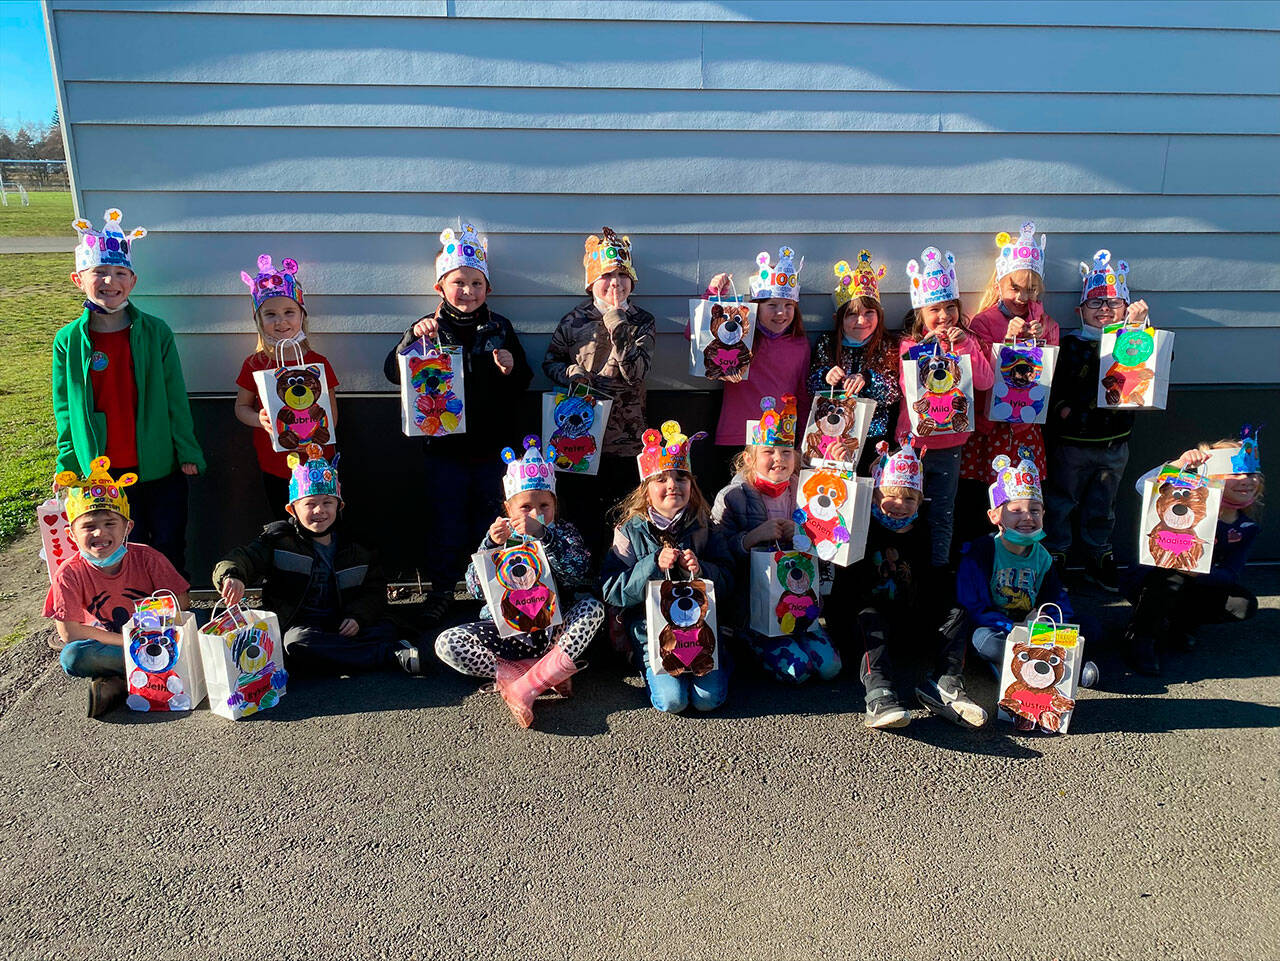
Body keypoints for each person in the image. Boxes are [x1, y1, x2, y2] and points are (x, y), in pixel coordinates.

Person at [383, 223, 532, 623]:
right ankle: (443, 588)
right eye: (458, 283)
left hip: (493, 446)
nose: (467, 291)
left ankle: (499, 589)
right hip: (444, 448)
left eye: (476, 283)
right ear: (440, 287)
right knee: (446, 520)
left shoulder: (498, 327)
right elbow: (392, 373)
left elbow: (524, 381)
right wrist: (411, 339)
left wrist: (511, 366)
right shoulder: (427, 328)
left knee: (495, 519)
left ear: (488, 288)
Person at [54, 208, 205, 575]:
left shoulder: (156, 332)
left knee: (168, 541)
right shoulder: (69, 341)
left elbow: (174, 395)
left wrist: (186, 448)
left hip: (159, 465)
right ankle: (133, 620)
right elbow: (64, 408)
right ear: (79, 279)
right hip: (103, 471)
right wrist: (68, 461)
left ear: (133, 280)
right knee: (120, 550)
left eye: (120, 272)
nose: (110, 280)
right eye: (99, 273)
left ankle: (173, 612)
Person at [434, 437, 605, 728]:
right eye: (525, 507)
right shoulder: (499, 539)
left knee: (592, 609)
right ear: (508, 508)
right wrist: (488, 547)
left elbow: (579, 572)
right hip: (507, 635)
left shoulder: (562, 533)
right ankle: (537, 674)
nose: (536, 514)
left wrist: (546, 537)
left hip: (553, 630)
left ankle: (527, 686)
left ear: (555, 504)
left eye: (544, 505)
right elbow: (475, 590)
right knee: (447, 643)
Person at [213, 445, 422, 676]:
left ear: (339, 506)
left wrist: (358, 617)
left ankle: (341, 654)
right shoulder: (279, 541)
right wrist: (231, 575)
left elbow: (374, 591)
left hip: (345, 621)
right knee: (296, 643)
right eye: (310, 504)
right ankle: (387, 655)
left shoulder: (357, 546)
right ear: (292, 510)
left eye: (327, 503)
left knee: (385, 627)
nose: (319, 510)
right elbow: (243, 558)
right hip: (301, 625)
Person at [601, 421, 734, 713]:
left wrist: (702, 571)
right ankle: (648, 667)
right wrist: (652, 565)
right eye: (661, 480)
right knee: (673, 701)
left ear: (691, 485)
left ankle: (723, 660)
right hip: (653, 636)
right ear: (646, 490)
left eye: (680, 478)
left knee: (707, 700)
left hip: (702, 635)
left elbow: (729, 580)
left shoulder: (705, 527)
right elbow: (612, 590)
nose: (672, 485)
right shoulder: (629, 531)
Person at [43, 457, 190, 718]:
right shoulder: (69, 573)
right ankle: (147, 674)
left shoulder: (147, 557)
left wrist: (153, 637)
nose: (99, 534)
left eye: (110, 524)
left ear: (128, 527)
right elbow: (69, 633)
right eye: (88, 527)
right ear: (71, 535)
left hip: (160, 640)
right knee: (73, 656)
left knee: (193, 631)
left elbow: (182, 601)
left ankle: (120, 682)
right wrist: (132, 644)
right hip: (116, 645)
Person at [943, 453, 1099, 700]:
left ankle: (1050, 662)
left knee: (1089, 627)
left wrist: (1049, 621)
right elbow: (973, 606)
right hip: (996, 627)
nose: (1027, 517)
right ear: (995, 516)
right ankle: (1058, 666)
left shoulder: (1043, 557)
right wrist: (1012, 627)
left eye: (1035, 510)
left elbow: (1055, 597)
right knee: (982, 641)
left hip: (1033, 628)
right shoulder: (980, 552)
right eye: (1015, 510)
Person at [542, 227, 656, 559]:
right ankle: (585, 583)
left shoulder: (642, 321)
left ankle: (620, 584)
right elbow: (550, 361)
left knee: (624, 519)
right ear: (592, 282)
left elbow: (635, 372)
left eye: (623, 275)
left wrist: (618, 322)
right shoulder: (574, 320)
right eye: (607, 275)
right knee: (583, 516)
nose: (615, 283)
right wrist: (568, 373)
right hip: (579, 438)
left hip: (627, 436)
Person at [710, 395, 841, 684]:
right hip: (754, 609)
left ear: (796, 456)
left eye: (786, 451)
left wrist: (806, 535)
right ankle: (746, 639)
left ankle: (801, 632)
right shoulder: (732, 496)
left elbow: (833, 532)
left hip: (801, 601)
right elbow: (716, 551)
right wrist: (751, 539)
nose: (778, 459)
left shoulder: (808, 491)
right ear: (749, 457)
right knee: (798, 671)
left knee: (830, 667)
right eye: (769, 451)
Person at [1043, 250, 1150, 591]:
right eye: (1095, 304)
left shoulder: (1134, 342)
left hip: (1114, 441)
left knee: (1103, 504)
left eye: (1114, 303)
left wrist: (1139, 328)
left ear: (1126, 306)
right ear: (1080, 311)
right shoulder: (1071, 344)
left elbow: (1159, 362)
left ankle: (1097, 554)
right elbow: (1051, 381)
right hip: (1072, 443)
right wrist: (1061, 407)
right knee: (1061, 499)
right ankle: (1056, 553)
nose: (1104, 309)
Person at [828, 440, 949, 729]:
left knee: (955, 611)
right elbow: (836, 500)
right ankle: (879, 695)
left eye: (910, 499)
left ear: (920, 502)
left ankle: (949, 682)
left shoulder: (923, 531)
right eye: (891, 496)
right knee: (871, 618)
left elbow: (928, 581)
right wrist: (841, 466)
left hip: (904, 619)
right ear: (875, 495)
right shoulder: (860, 524)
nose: (900, 505)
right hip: (861, 621)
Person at [1122, 429, 1263, 675]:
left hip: (1195, 582)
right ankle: (1141, 636)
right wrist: (1179, 465)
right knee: (1173, 575)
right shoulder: (1186, 498)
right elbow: (1143, 486)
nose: (1246, 479)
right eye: (1237, 472)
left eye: (1252, 473)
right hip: (1150, 579)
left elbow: (1231, 574)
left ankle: (1180, 624)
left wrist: (1201, 573)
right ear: (1214, 478)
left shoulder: (1246, 526)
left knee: (1243, 604)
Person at [960, 223, 1059, 544]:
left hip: (1024, 426)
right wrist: (1009, 341)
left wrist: (1038, 343)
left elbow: (1048, 373)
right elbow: (980, 375)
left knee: (1021, 492)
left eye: (1030, 289)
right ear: (999, 283)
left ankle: (1020, 547)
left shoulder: (1046, 323)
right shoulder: (983, 321)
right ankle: (982, 548)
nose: (1021, 296)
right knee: (986, 492)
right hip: (990, 425)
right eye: (1014, 287)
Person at [896, 246, 994, 569]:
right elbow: (909, 389)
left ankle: (937, 573)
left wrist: (963, 346)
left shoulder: (967, 340)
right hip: (914, 445)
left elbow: (983, 381)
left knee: (942, 514)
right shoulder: (910, 346)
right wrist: (929, 351)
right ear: (921, 311)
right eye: (935, 309)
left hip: (951, 444)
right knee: (907, 511)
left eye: (950, 307)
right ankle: (907, 572)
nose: (943, 316)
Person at [233, 254, 340, 518]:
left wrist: (315, 433)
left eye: (288, 312)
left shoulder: (318, 363)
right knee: (282, 521)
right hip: (276, 463)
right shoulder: (254, 363)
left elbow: (332, 416)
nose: (280, 321)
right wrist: (259, 419)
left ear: (302, 316)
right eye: (270, 314)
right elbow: (241, 407)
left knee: (322, 520)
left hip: (318, 460)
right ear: (259, 320)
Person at [704, 246, 811, 487]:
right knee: (733, 504)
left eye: (789, 305)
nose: (781, 313)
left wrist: (802, 441)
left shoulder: (800, 344)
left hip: (780, 442)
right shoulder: (740, 336)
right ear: (757, 306)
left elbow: (802, 394)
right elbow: (698, 336)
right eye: (772, 305)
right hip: (737, 436)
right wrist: (713, 295)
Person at [806, 251, 901, 475]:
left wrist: (867, 379)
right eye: (852, 314)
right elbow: (810, 384)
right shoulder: (828, 343)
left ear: (880, 314)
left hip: (875, 436)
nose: (862, 321)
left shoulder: (887, 345)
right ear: (839, 319)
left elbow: (895, 391)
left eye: (869, 313)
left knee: (871, 489)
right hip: (834, 434)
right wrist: (825, 376)